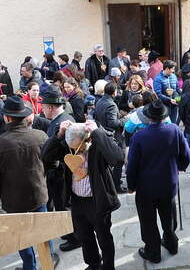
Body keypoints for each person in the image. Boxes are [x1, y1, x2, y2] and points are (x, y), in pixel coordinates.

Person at [42, 120, 124, 270]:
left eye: (78, 147)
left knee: (104, 237)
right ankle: (93, 264)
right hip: (77, 201)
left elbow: (118, 158)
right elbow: (46, 155)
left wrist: (98, 132)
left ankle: (108, 266)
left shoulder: (98, 146)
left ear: (87, 139)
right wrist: (59, 135)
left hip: (98, 200)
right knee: (84, 236)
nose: (74, 151)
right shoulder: (68, 147)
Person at [126, 99, 190, 263]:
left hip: (146, 188)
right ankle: (171, 243)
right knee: (169, 216)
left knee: (148, 222)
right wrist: (180, 166)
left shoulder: (139, 136)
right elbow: (186, 155)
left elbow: (132, 165)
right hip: (168, 183)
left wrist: (131, 185)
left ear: (148, 118)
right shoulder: (174, 130)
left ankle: (153, 252)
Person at [0, 96, 59, 270]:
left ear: (7, 117)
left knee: (22, 237)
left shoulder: (1, 144)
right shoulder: (40, 136)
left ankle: (30, 266)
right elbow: (53, 164)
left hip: (13, 201)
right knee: (43, 231)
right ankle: (48, 262)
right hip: (38, 193)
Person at [40, 85, 81, 252]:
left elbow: (49, 153)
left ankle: (75, 238)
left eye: (43, 107)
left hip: (61, 172)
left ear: (50, 108)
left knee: (63, 205)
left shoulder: (60, 124)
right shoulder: (63, 118)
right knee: (61, 204)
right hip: (61, 171)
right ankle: (69, 232)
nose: (42, 111)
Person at [95, 82, 127, 193]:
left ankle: (112, 182)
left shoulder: (100, 101)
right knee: (119, 160)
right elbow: (113, 122)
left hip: (102, 134)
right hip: (112, 136)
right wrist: (124, 120)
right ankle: (116, 185)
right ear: (114, 92)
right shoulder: (111, 104)